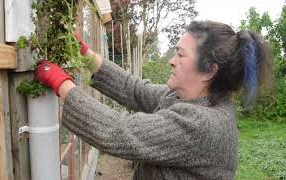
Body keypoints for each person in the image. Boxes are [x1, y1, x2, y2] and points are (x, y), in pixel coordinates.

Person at [35, 20, 271, 180]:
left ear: (209, 70)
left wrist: (63, 84)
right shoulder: (184, 98)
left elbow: (120, 131)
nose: (171, 60)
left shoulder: (203, 125)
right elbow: (135, 89)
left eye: (180, 54)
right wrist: (86, 55)